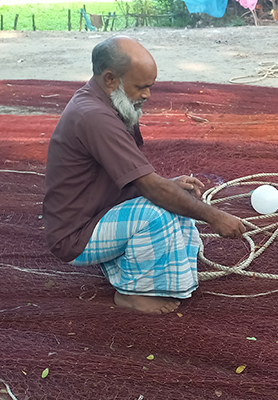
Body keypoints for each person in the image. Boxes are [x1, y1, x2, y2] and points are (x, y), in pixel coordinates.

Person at [43, 36, 246, 314]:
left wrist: (168, 187)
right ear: (111, 79)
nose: (147, 95)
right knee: (159, 212)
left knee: (176, 200)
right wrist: (215, 216)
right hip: (75, 236)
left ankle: (140, 269)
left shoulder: (102, 103)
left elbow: (137, 177)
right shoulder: (95, 117)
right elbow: (150, 187)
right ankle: (131, 293)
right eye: (141, 87)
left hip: (98, 213)